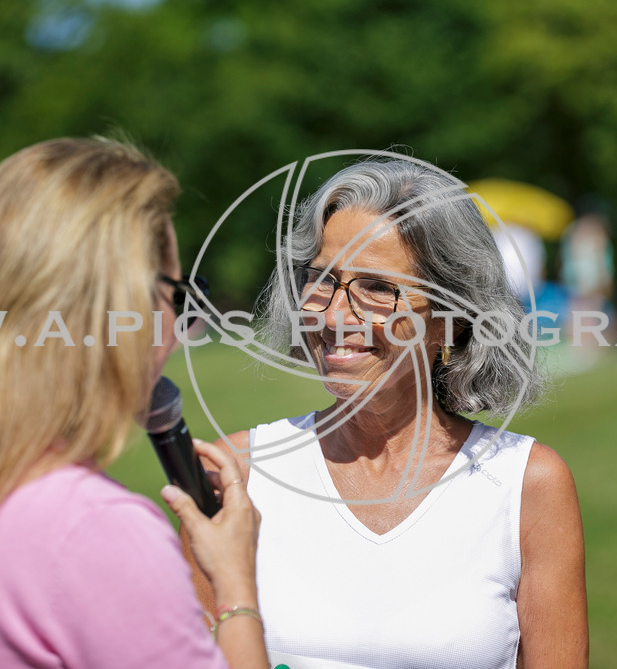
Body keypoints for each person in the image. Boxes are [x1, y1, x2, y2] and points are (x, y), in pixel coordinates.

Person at [0, 138, 267, 668]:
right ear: (117, 308)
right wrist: (234, 588)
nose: (181, 334)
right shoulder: (98, 532)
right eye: (179, 298)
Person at [186, 158, 588, 668]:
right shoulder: (238, 474)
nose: (333, 316)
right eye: (323, 280)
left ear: (452, 321)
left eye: (377, 288)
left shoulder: (526, 486)